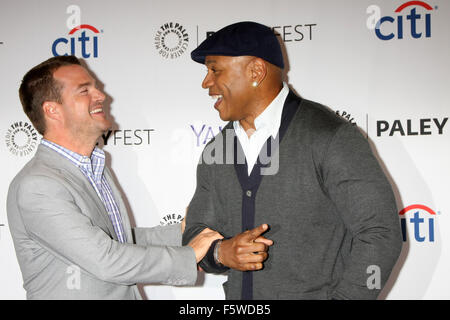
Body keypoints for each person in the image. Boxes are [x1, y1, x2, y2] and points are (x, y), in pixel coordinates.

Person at [182, 21, 403, 300]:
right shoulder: (217, 150)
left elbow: (380, 233)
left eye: (215, 70)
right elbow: (194, 231)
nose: (206, 83)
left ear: (255, 71)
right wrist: (219, 252)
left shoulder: (329, 136)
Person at [7, 56, 222, 299]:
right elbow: (106, 258)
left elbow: (121, 240)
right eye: (84, 90)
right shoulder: (38, 185)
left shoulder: (95, 168)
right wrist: (190, 254)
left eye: (95, 88)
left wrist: (184, 230)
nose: (101, 96)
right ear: (52, 110)